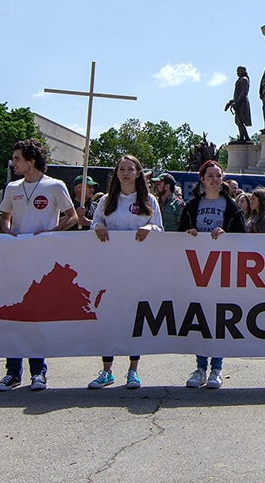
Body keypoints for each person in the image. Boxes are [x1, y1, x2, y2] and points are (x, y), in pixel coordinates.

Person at [0, 139, 78, 392]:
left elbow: (72, 217)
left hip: (44, 261)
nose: (13, 162)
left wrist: (50, 233)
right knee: (13, 312)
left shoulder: (55, 186)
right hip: (17, 259)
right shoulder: (12, 187)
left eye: (17, 158)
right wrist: (9, 234)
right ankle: (12, 372)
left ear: (31, 160)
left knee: (37, 314)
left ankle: (38, 372)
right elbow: (4, 219)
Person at [87, 155, 164, 389]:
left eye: (131, 169)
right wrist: (97, 225)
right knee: (109, 317)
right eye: (121, 169)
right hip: (110, 268)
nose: (126, 173)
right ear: (116, 173)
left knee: (134, 317)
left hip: (137, 269)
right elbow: (95, 223)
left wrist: (149, 227)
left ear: (138, 173)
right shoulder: (107, 201)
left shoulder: (148, 200)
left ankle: (133, 370)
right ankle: (107, 369)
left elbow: (159, 227)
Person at [177, 160, 246, 389]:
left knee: (219, 318)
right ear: (202, 179)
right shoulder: (192, 205)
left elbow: (242, 237)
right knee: (199, 317)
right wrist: (190, 232)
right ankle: (200, 367)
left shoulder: (232, 207)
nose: (215, 179)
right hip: (197, 271)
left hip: (221, 271)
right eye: (210, 176)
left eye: (218, 175)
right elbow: (179, 234)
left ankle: (217, 367)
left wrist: (227, 234)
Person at [224, 66, 252, 142]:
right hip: (238, 103)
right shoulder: (239, 80)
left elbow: (243, 92)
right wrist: (231, 102)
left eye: (238, 71)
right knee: (238, 121)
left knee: (240, 120)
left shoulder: (244, 80)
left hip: (242, 103)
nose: (237, 72)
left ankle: (243, 137)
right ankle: (244, 137)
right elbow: (236, 94)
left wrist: (236, 102)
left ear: (243, 71)